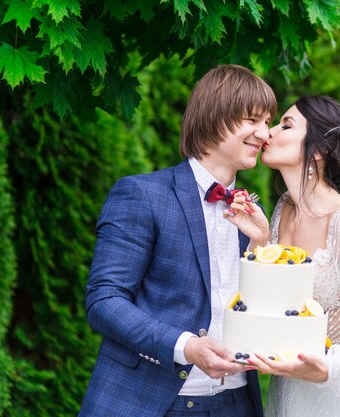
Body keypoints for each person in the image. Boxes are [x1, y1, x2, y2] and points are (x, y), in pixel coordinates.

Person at [79, 65, 276, 417]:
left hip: (237, 405)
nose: (264, 133)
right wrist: (185, 347)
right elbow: (104, 300)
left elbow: (261, 314)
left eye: (267, 122)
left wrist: (261, 243)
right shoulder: (142, 193)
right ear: (216, 118)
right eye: (252, 120)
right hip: (149, 404)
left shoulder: (252, 216)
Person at [226, 96, 340, 416]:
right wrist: (260, 240)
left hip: (338, 399)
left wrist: (328, 367)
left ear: (319, 151)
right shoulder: (282, 209)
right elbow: (270, 301)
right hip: (289, 392)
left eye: (286, 125)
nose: (269, 133)